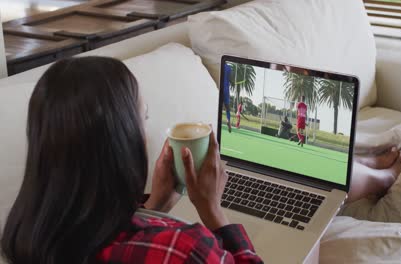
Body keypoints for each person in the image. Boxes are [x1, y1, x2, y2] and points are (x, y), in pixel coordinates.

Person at [0, 57, 263, 264]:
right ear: (122, 141)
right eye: (143, 118)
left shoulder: (24, 236)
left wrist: (154, 205)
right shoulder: (185, 249)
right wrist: (212, 210)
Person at [224, 64, 233, 133]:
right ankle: (228, 120)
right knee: (227, 108)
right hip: (226, 90)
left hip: (220, 87)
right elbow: (230, 79)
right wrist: (232, 83)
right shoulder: (229, 67)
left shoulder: (221, 65)